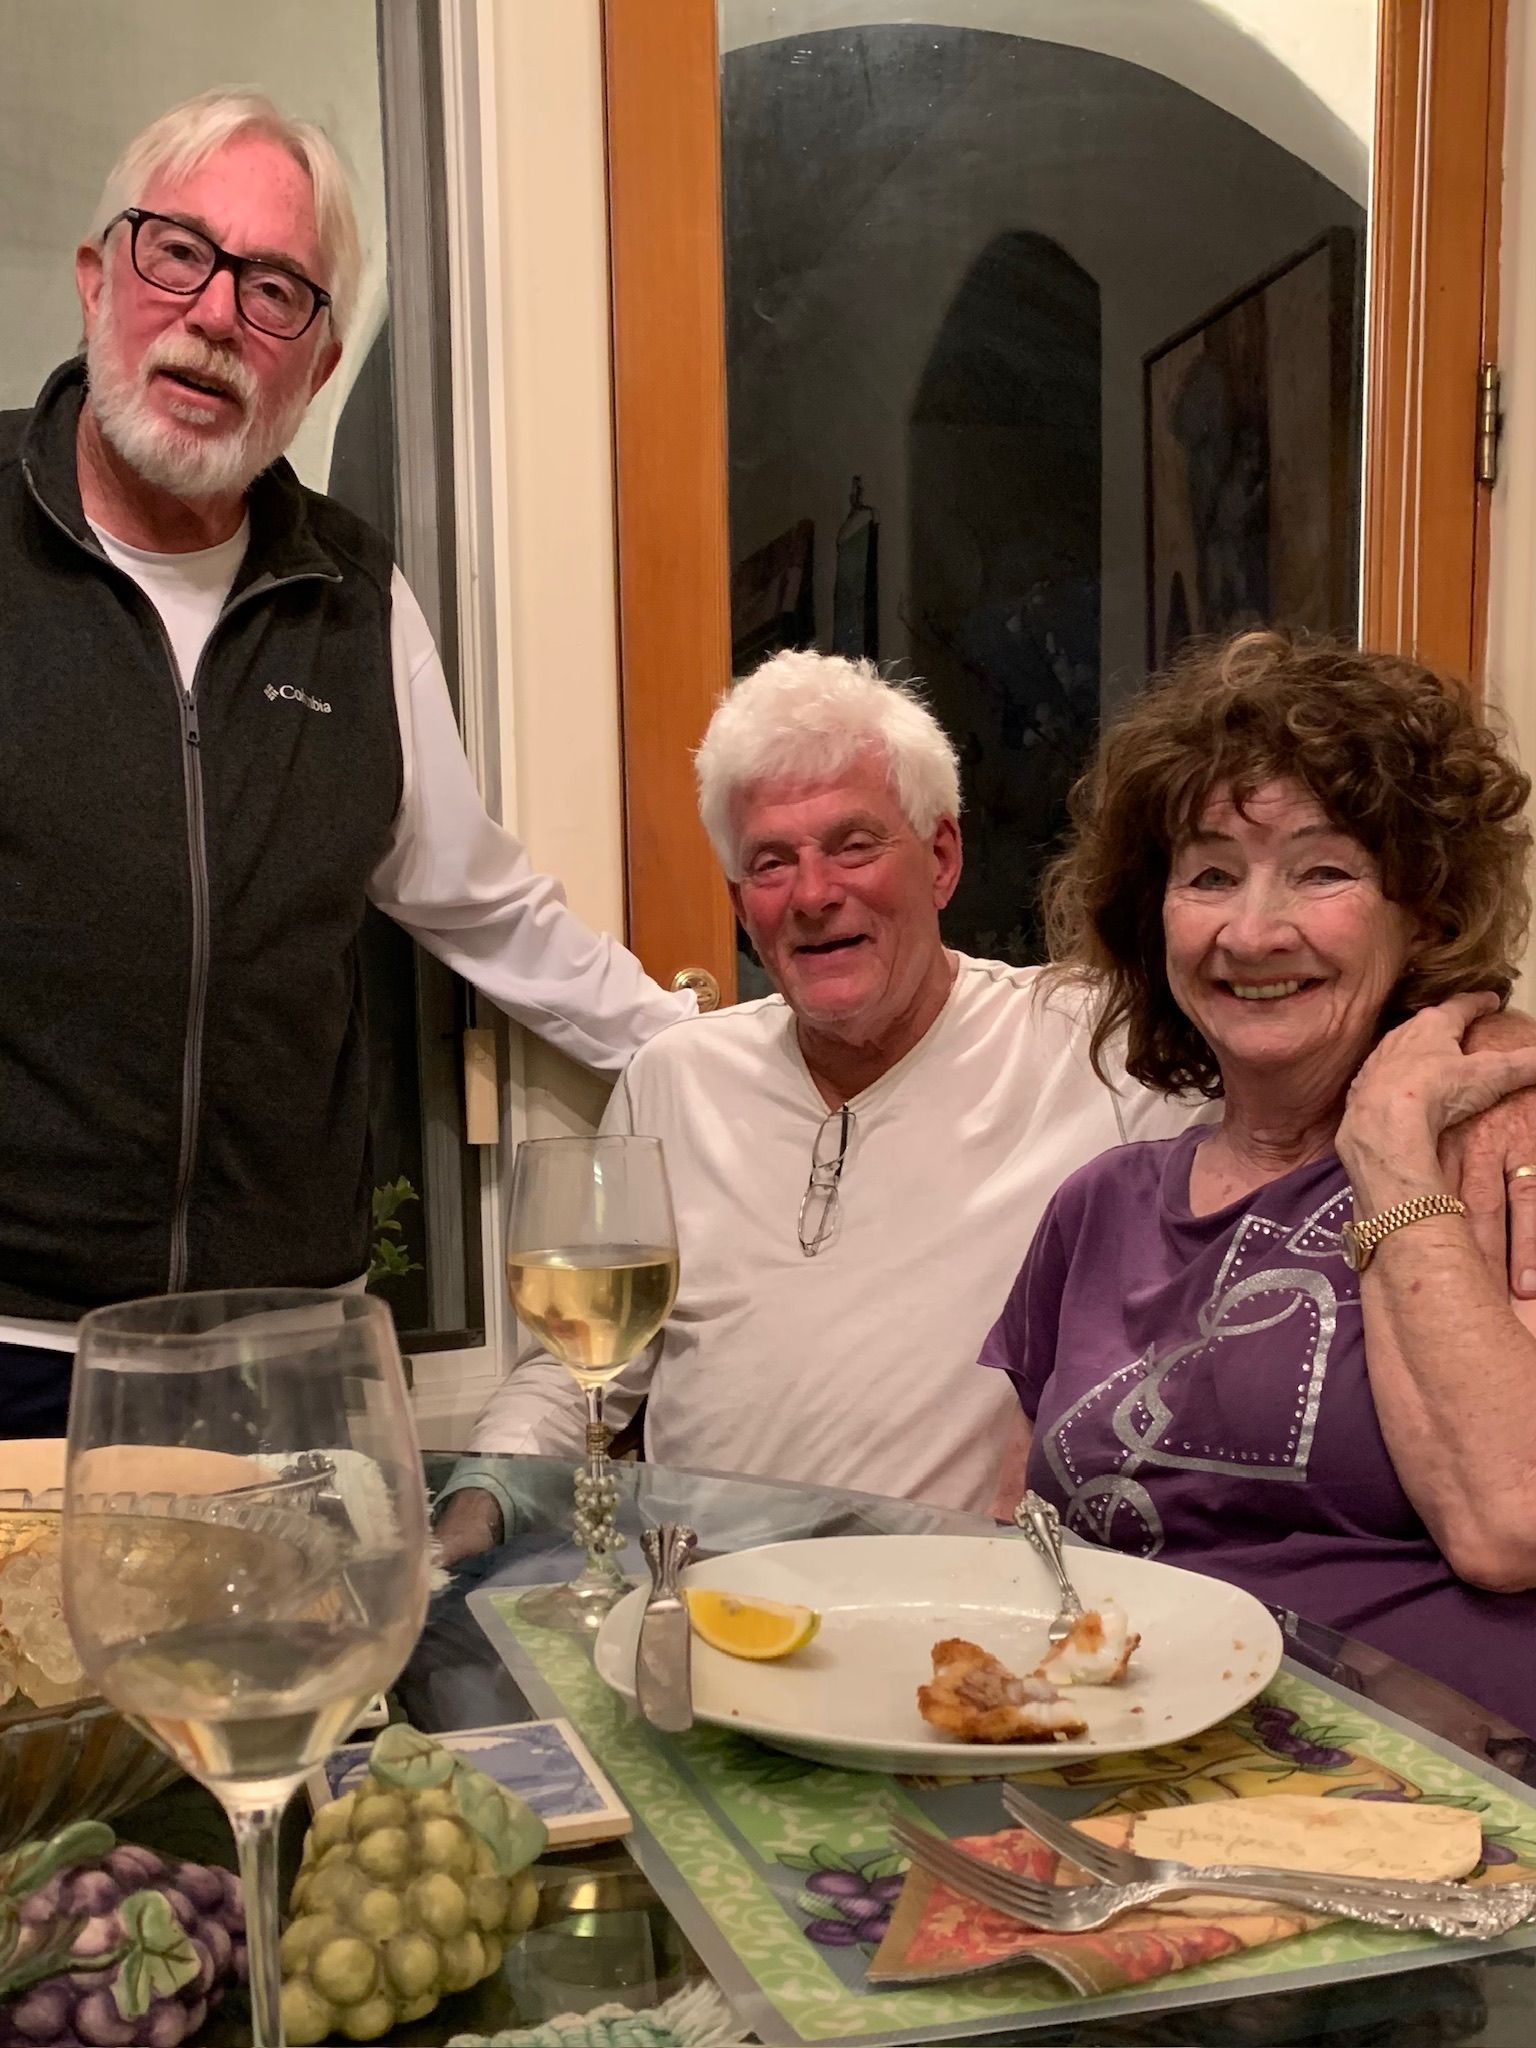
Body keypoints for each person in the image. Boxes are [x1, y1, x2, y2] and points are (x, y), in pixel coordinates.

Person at [434, 646, 1536, 1560]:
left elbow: (1306, 1018)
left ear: (942, 858)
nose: (813, 894)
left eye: (855, 844)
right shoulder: (673, 1076)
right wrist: (475, 1506)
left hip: (941, 1617)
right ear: (739, 902)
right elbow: (581, 1364)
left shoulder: (1092, 1043)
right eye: (770, 863)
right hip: (707, 1608)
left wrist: (1505, 1064)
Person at [0, 91, 691, 1436]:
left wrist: (710, 1053)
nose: (216, 314)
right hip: (15, 1343)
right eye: (178, 253)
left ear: (314, 369)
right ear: (96, 280)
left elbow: (481, 901)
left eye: (275, 290)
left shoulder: (354, 592)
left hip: (287, 1352)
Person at [982, 632, 1536, 1732]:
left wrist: (1388, 1143)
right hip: (1130, 1759)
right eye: (1210, 875)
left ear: (1423, 912)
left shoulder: (1499, 1145)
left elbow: (1512, 1520)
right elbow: (1020, 1536)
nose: (1252, 930)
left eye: (1323, 870)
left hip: (1432, 1780)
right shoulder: (1100, 1205)